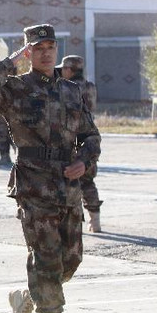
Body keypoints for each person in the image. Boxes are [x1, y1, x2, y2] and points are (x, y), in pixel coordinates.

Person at [0, 24, 100, 313]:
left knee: (69, 261)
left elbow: (91, 135)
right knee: (46, 256)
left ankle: (26, 300)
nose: (45, 53)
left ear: (56, 50)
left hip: (67, 184)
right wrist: (12, 62)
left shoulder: (72, 90)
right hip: (33, 184)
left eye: (50, 47)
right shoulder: (14, 88)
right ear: (28, 52)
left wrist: (84, 161)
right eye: (37, 48)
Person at [59, 55, 102, 232]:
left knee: (69, 180)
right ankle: (95, 220)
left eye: (64, 68)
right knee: (88, 181)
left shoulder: (66, 87)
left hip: (71, 138)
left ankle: (73, 219)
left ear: (70, 69)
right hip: (90, 136)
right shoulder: (90, 86)